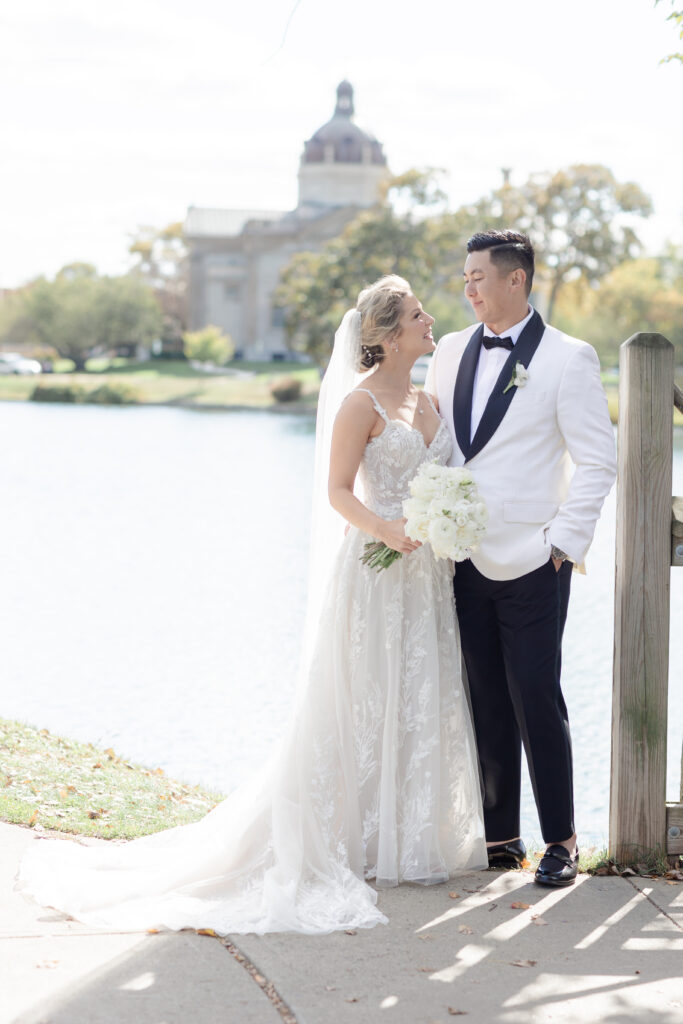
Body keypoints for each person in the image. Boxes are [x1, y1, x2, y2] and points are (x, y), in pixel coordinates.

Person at [17, 276, 486, 935]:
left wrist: (442, 522)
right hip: (378, 571)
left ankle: (405, 839)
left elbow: (442, 479)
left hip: (425, 578)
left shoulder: (426, 396)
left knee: (416, 696)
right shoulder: (360, 405)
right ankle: (349, 835)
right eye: (416, 314)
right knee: (363, 697)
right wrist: (386, 529)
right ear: (385, 335)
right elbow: (337, 492)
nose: (428, 319)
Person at [425, 230, 617, 887]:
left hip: (536, 558)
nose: (468, 287)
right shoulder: (449, 350)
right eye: (465, 276)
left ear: (516, 280)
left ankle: (560, 838)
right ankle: (501, 837)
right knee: (482, 694)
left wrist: (562, 543)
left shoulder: (567, 358)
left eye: (478, 276)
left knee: (536, 692)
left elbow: (597, 459)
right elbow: (444, 445)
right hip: (461, 554)